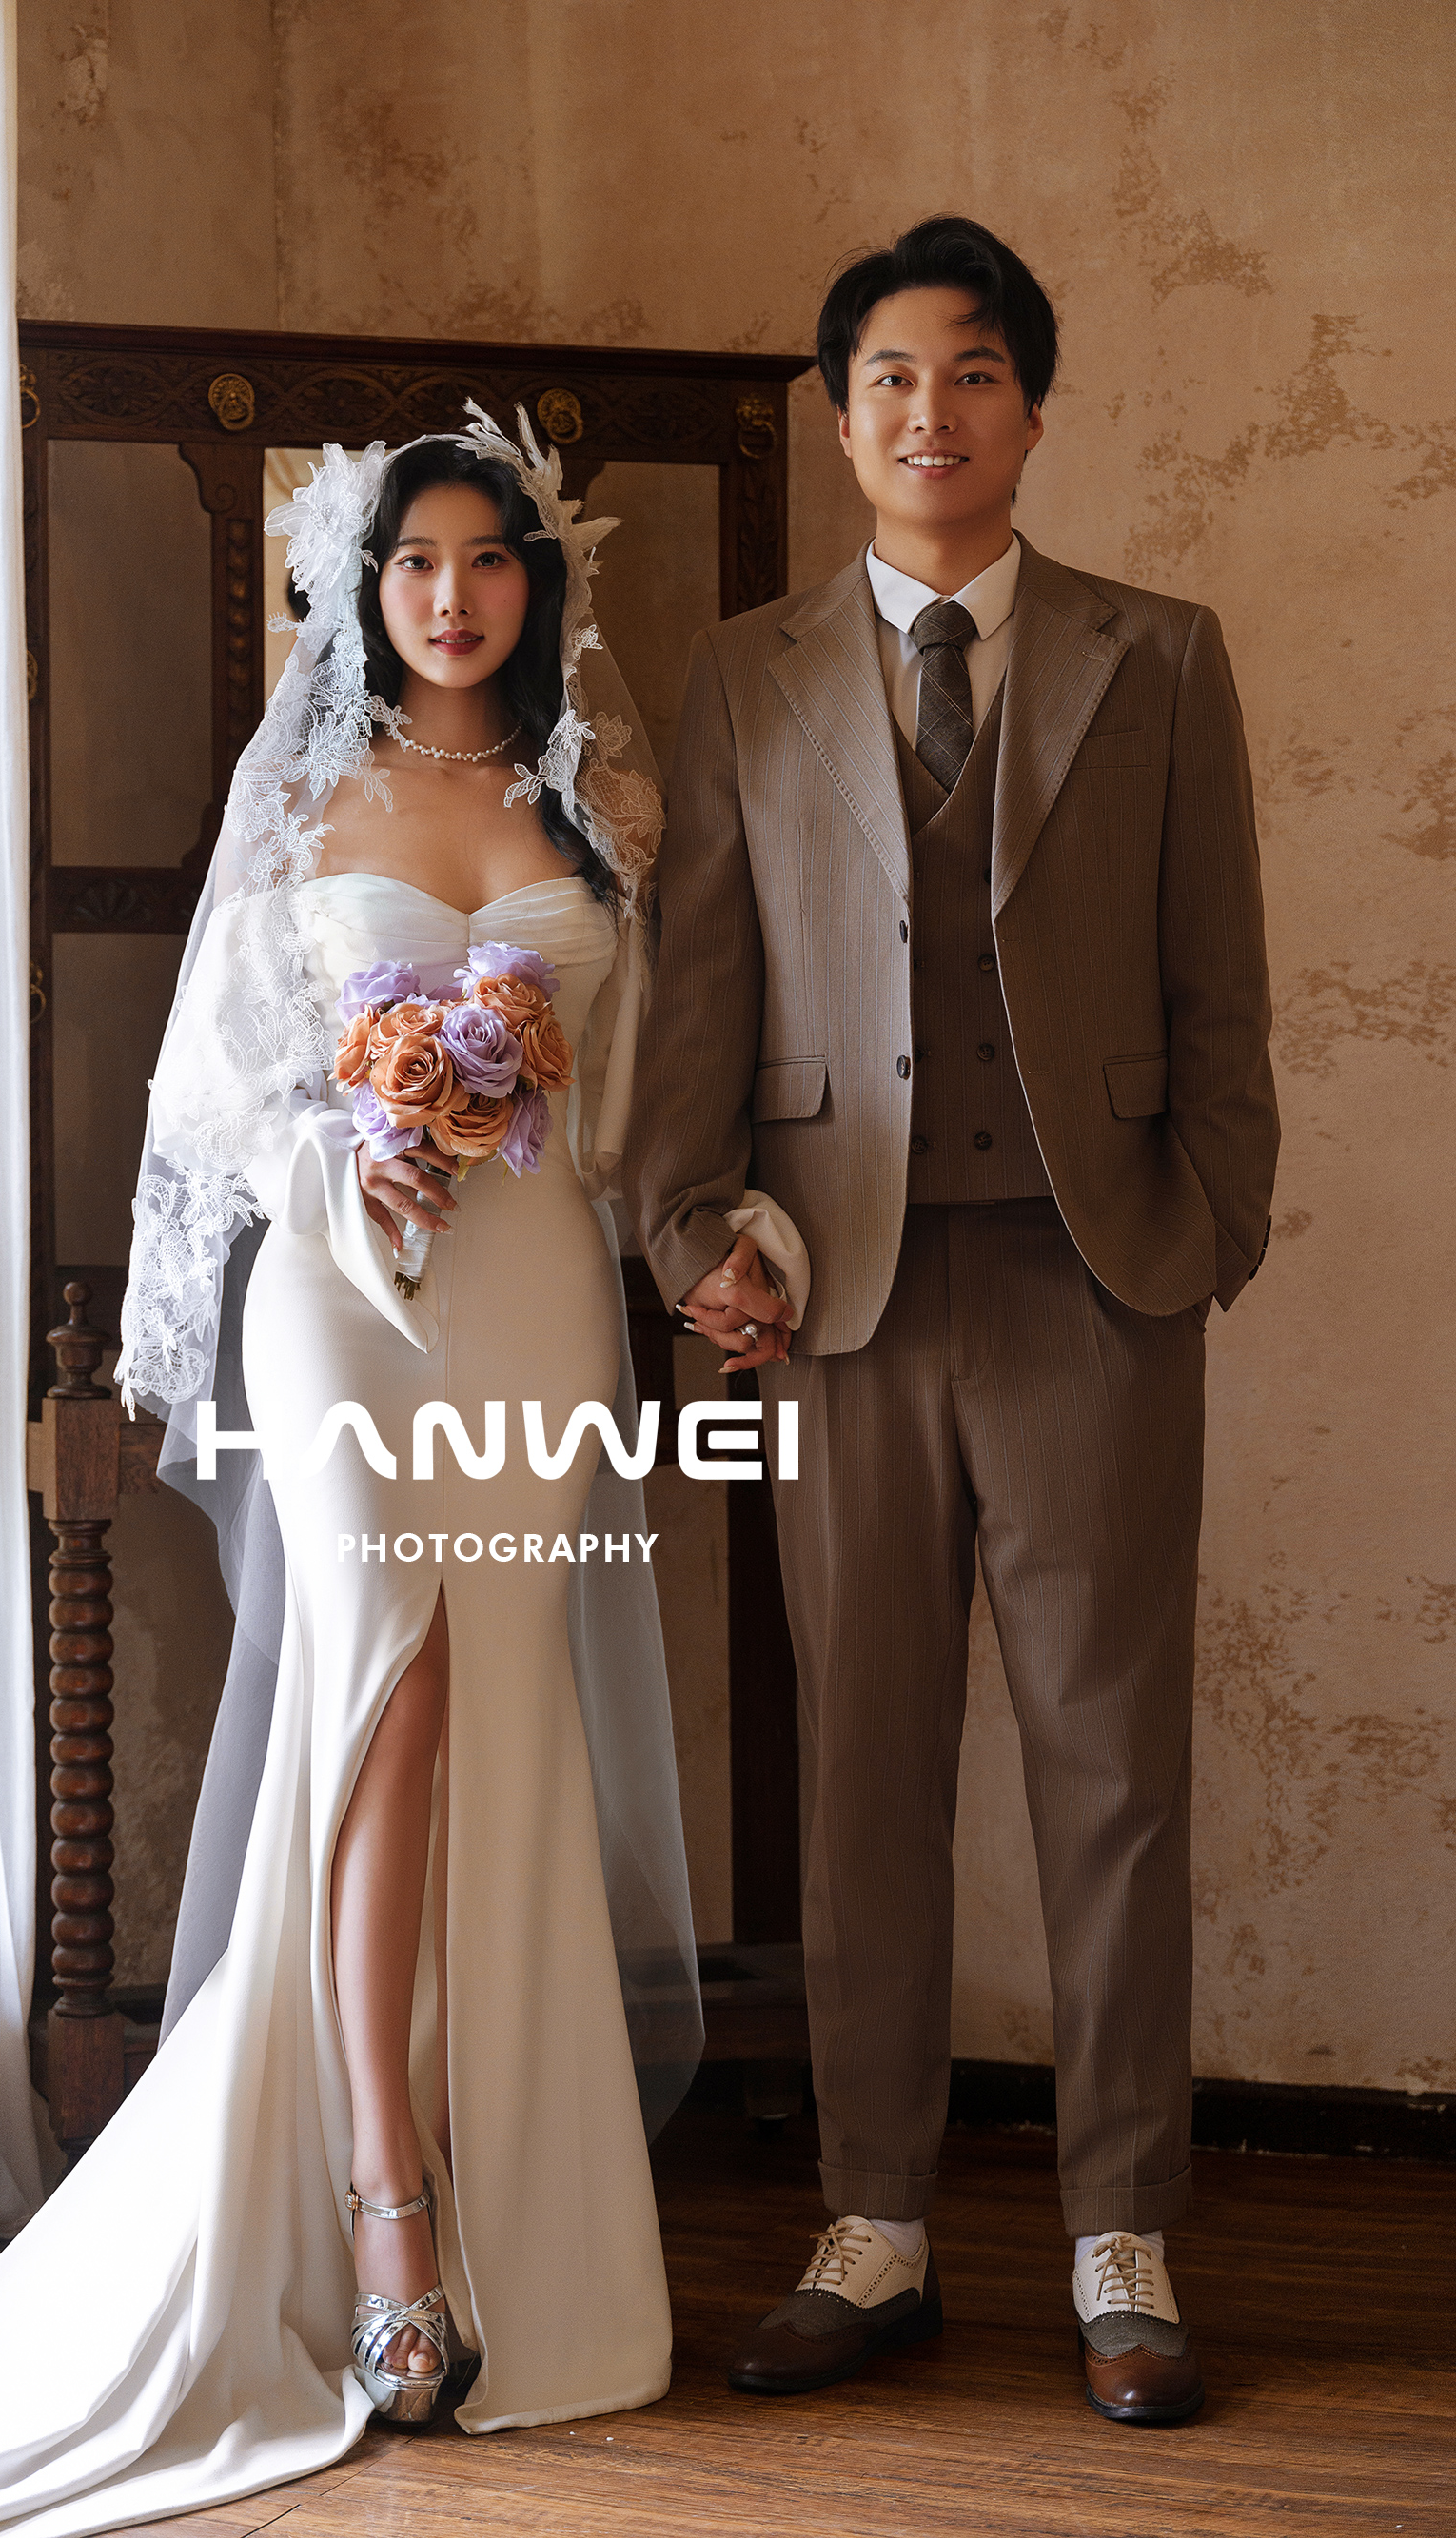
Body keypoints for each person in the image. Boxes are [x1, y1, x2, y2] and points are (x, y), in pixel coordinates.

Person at [0, 411, 700, 2532]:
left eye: (489, 560)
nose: (451, 595)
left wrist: (642, 1189)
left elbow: (635, 1104)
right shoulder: (304, 796)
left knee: (503, 1706)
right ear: (362, 587)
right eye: (414, 561)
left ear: (540, 585)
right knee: (385, 1677)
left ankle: (517, 2219)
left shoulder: (594, 805)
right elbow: (206, 1097)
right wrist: (348, 1142)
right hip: (341, 1286)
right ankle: (381, 2204)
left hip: (537, 1293)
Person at [631, 215, 1278, 2427]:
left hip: (1094, 1282)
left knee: (1113, 1776)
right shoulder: (747, 671)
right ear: (843, 419)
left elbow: (1219, 977)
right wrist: (687, 1232)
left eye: (974, 372)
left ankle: (1122, 2231)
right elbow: (700, 984)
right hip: (840, 1304)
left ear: (1032, 406)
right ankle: (876, 2220)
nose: (933, 410)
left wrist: (1212, 1226)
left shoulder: (1157, 653)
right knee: (866, 1772)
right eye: (893, 377)